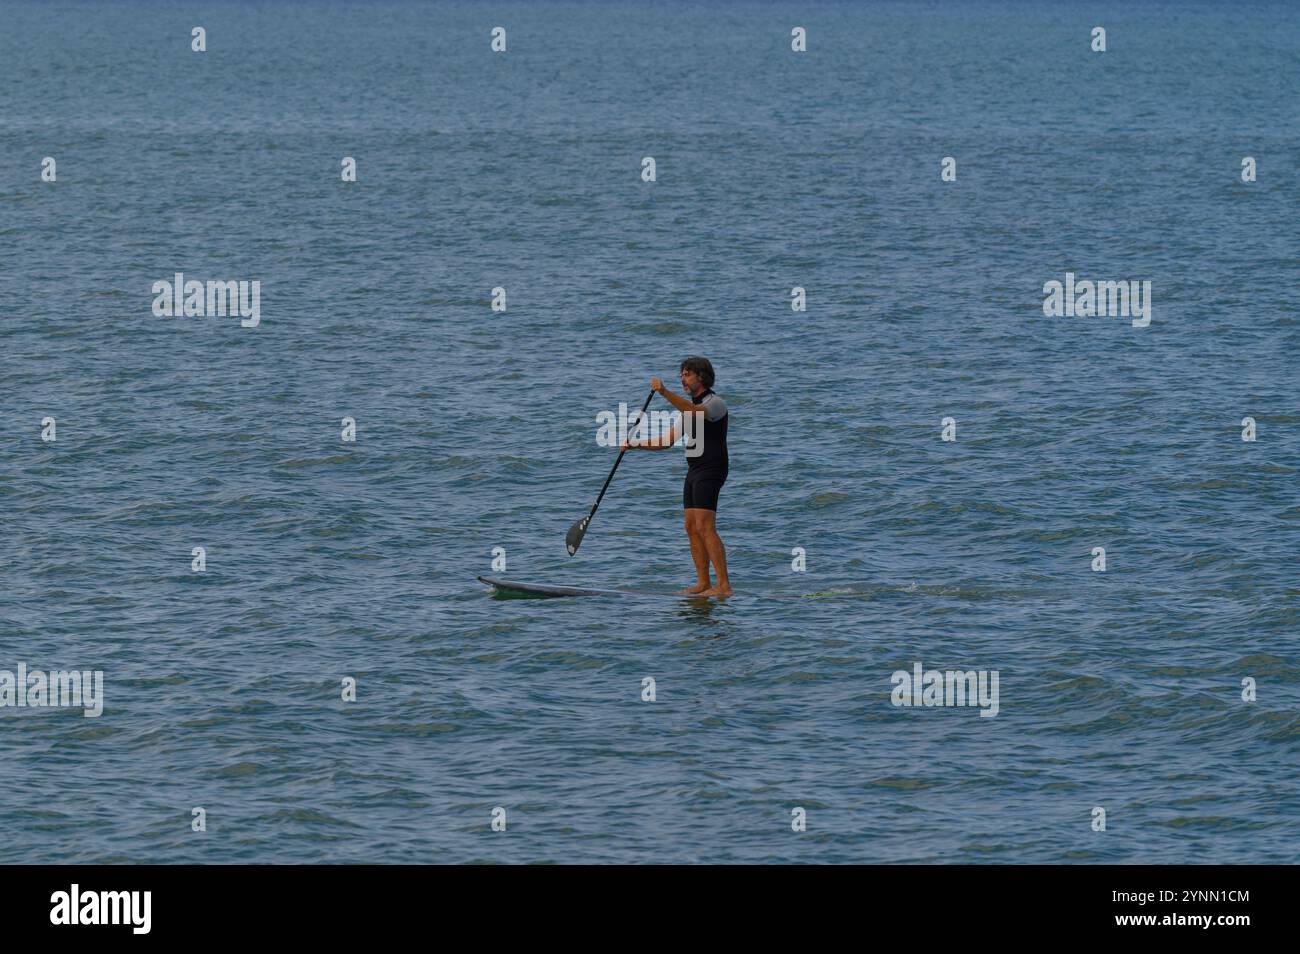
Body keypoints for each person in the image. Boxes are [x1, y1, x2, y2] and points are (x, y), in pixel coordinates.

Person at [621, 357, 731, 597]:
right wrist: (635, 444)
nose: (683, 378)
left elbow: (694, 411)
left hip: (711, 469)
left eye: (687, 374)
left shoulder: (715, 403)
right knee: (691, 526)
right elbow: (667, 441)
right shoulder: (687, 412)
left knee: (705, 526)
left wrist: (664, 392)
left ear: (701, 377)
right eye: (681, 374)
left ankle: (723, 586)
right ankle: (703, 582)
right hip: (694, 471)